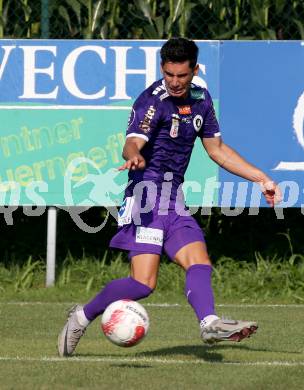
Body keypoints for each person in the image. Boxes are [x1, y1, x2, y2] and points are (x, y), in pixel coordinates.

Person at [58, 37, 281, 357]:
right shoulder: (153, 100)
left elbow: (217, 150)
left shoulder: (202, 100)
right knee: (142, 285)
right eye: (169, 74)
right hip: (145, 197)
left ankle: (209, 323)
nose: (175, 82)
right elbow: (131, 141)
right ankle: (81, 316)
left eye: (182, 75)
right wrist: (134, 154)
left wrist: (262, 178)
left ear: (195, 69)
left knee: (199, 262)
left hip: (172, 198)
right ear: (162, 69)